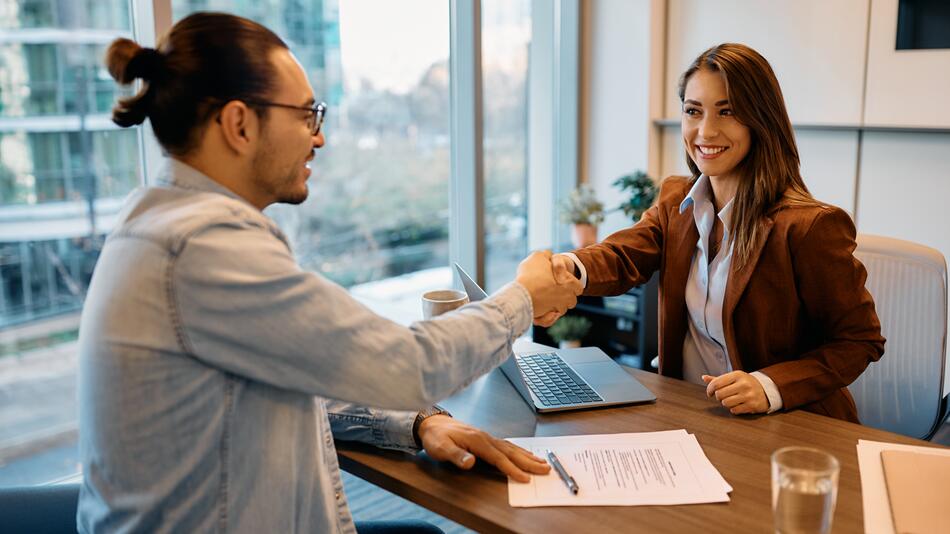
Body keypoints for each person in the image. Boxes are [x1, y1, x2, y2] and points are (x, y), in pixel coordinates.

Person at [77, 12, 582, 533]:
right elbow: (413, 365)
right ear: (239, 124)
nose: (318, 138)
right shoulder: (203, 246)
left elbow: (302, 370)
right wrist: (525, 295)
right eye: (306, 115)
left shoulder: (161, 222)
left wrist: (418, 422)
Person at [545, 43, 884, 423]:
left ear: (761, 118)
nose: (705, 131)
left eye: (728, 111)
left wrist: (769, 385)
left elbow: (860, 339)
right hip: (692, 415)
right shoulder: (676, 201)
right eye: (693, 111)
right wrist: (562, 270)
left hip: (788, 425)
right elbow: (623, 256)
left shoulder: (809, 226)